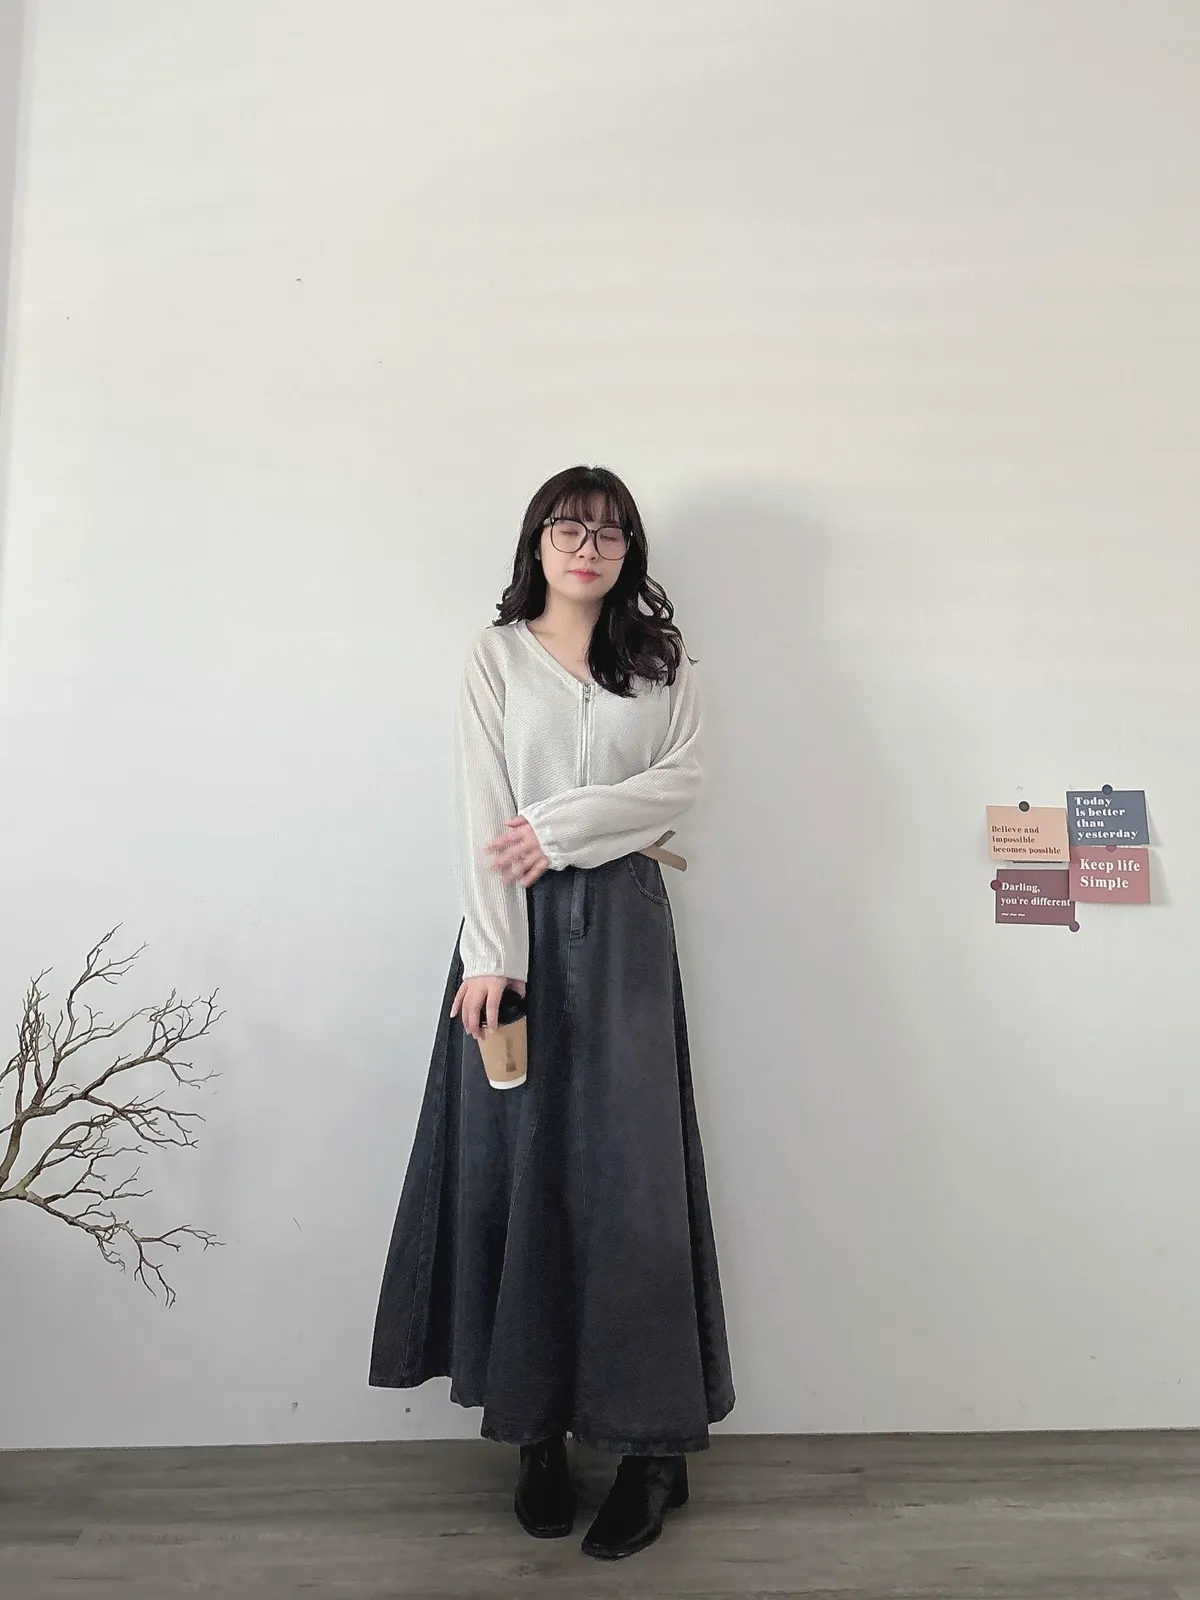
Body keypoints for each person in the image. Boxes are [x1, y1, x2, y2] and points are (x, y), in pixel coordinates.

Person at [369, 464, 734, 1561]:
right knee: (512, 1175)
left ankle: (651, 1451)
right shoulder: (494, 658)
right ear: (537, 541)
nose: (589, 549)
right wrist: (492, 954)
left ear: (631, 552)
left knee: (634, 1184)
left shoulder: (662, 663)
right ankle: (533, 1434)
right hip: (512, 939)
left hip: (624, 932)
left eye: (611, 534)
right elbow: (481, 813)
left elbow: (684, 780)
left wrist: (562, 828)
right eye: (570, 529)